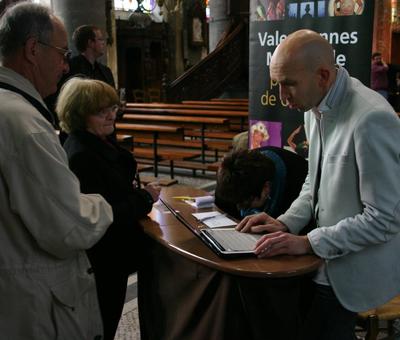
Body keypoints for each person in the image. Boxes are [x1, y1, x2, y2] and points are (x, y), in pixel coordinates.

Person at [237, 29, 400, 340]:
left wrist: (309, 242)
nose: (283, 97)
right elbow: (315, 179)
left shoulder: (371, 119)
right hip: (324, 258)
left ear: (323, 75)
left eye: (289, 85)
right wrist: (284, 223)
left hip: (354, 268)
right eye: (278, 85)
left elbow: (384, 220)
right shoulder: (315, 107)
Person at [0, 3, 113, 339]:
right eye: (62, 53)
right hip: (33, 300)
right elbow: (68, 227)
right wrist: (104, 204)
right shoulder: (22, 122)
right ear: (33, 49)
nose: (66, 65)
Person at [56, 77, 161, 340]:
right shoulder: (81, 154)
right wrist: (144, 198)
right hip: (103, 257)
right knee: (102, 324)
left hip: (113, 253)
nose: (110, 115)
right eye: (100, 111)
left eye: (112, 108)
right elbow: (104, 212)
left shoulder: (97, 142)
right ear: (79, 114)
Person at [215, 147, 308, 220]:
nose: (240, 208)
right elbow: (225, 209)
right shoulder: (229, 179)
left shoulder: (299, 180)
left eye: (247, 203)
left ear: (266, 188)